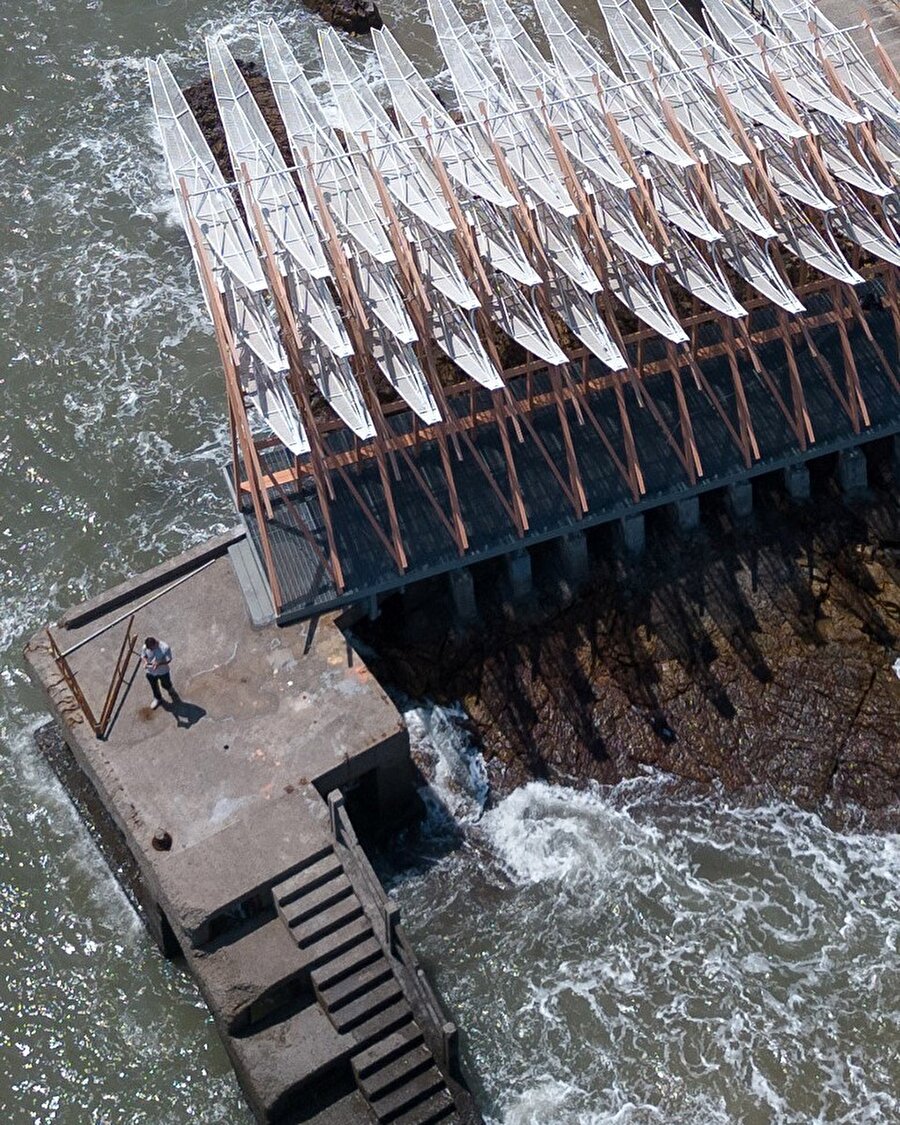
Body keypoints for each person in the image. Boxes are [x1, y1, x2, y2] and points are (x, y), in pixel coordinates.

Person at [141, 636, 177, 710]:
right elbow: (143, 655)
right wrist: (145, 662)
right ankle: (157, 698)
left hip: (163, 671)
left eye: (151, 648)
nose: (150, 650)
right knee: (154, 686)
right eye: (149, 649)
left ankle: (170, 689)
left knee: (165, 683)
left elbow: (168, 660)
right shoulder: (145, 647)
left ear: (155, 644)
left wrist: (159, 663)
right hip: (150, 672)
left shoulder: (165, 648)